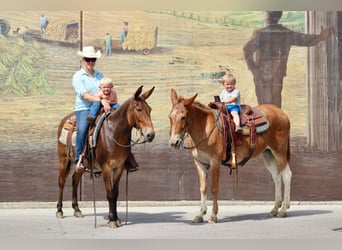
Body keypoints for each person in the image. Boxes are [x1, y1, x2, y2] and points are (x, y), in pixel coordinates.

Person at [243, 11, 334, 108]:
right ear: (278, 17)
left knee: (264, 105)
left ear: (267, 16)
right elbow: (305, 40)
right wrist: (321, 36)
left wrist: (253, 69)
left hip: (263, 74)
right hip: (277, 72)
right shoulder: (286, 33)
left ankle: (271, 122)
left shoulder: (260, 33)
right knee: (275, 103)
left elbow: (246, 49)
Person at [72, 46, 138, 172]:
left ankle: (127, 155)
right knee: (83, 127)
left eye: (93, 59)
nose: (91, 62)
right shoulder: (78, 76)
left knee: (124, 124)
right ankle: (79, 158)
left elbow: (107, 89)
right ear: (82, 60)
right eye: (88, 59)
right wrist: (100, 100)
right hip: (84, 107)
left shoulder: (99, 75)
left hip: (104, 105)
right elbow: (84, 95)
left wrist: (111, 98)